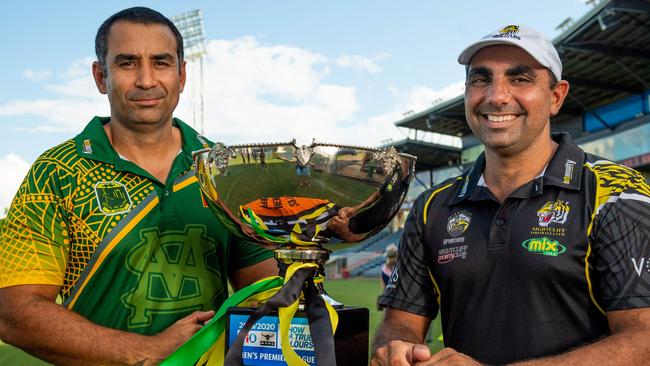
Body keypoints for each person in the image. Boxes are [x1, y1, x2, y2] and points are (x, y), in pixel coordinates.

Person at [0, 7, 277, 365]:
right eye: (127, 63)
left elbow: (265, 291)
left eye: (161, 62)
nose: (146, 80)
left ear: (181, 76)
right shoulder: (57, 171)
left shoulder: (224, 171)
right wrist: (143, 351)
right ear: (101, 77)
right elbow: (13, 311)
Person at [372, 24, 650, 365]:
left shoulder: (617, 192)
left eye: (520, 79)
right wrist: (398, 346)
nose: (496, 96)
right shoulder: (433, 205)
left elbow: (644, 341)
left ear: (556, 96)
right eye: (480, 79)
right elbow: (400, 322)